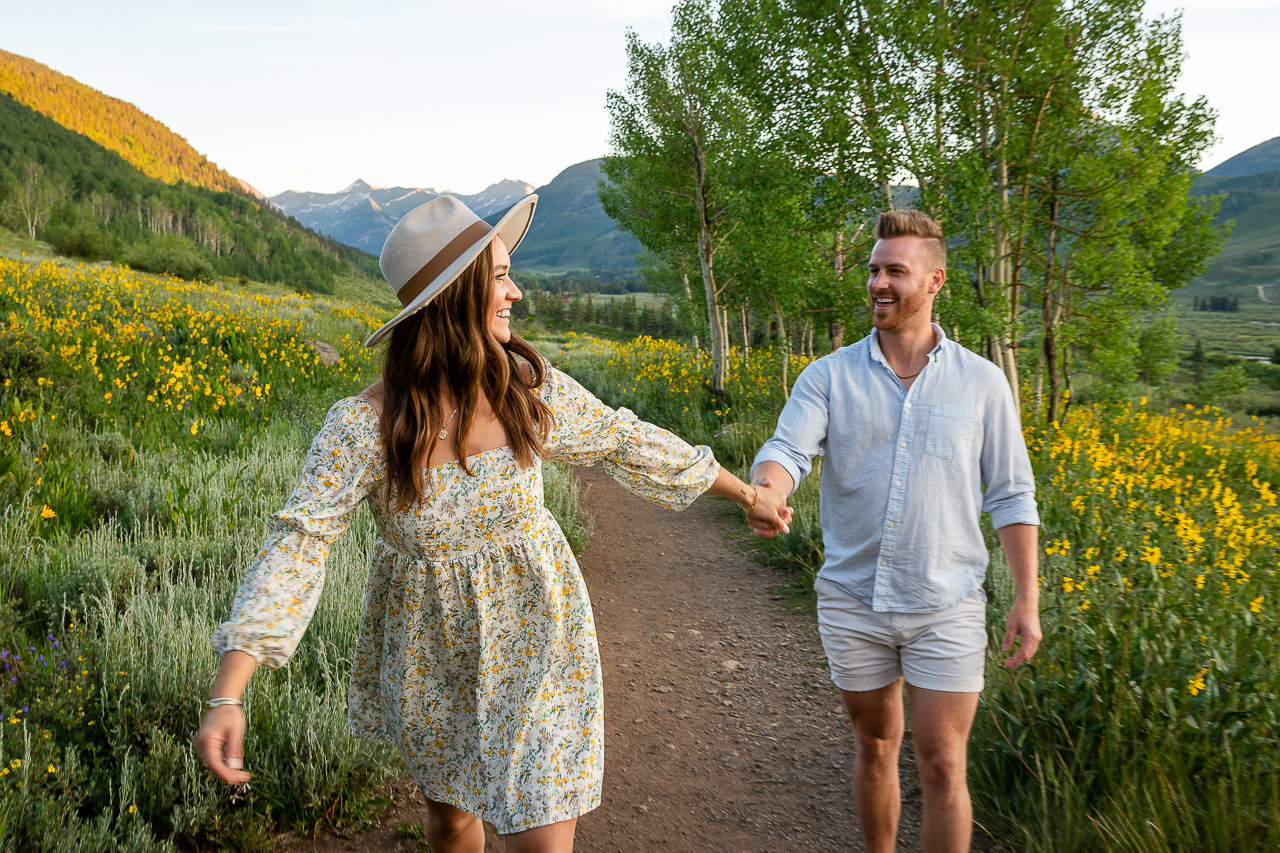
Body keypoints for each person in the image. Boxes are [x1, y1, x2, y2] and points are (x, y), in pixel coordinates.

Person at [193, 195, 780, 853]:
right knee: (451, 820)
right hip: (430, 652)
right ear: (452, 296)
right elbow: (299, 541)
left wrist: (744, 495)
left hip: (540, 636)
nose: (516, 291)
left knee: (539, 837)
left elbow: (622, 437)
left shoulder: (525, 388)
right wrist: (228, 692)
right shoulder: (363, 428)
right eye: (500, 276)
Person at [745, 210, 1041, 853]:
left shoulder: (984, 384)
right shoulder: (827, 376)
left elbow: (1013, 493)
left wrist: (1027, 598)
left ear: (935, 281)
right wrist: (766, 490)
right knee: (876, 744)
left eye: (894, 271)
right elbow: (788, 450)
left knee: (942, 763)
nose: (879, 283)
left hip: (948, 603)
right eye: (874, 270)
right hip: (854, 599)